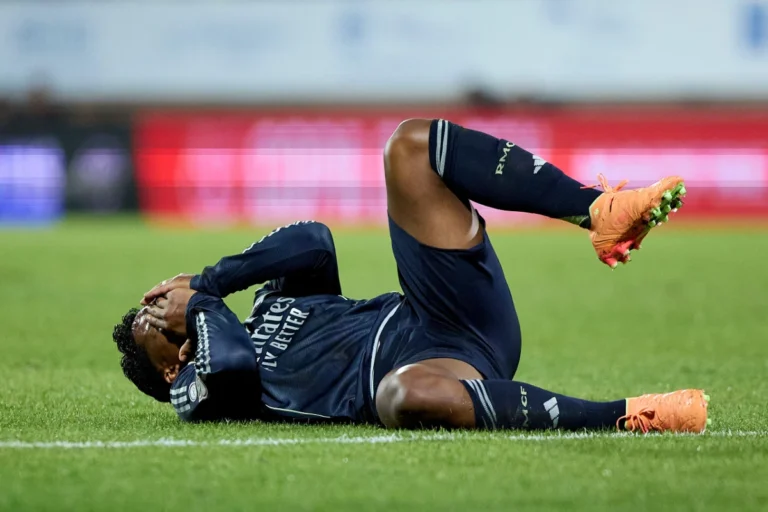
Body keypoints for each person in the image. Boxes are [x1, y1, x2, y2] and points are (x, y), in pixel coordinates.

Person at [113, 119, 708, 433]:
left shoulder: (262, 310)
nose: (162, 302)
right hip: (442, 371)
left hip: (444, 311)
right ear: (169, 366)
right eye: (151, 317)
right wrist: (196, 310)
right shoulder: (199, 390)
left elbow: (312, 242)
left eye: (157, 299)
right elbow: (236, 366)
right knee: (401, 397)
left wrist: (213, 281)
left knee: (410, 146)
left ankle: (596, 210)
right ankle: (632, 414)